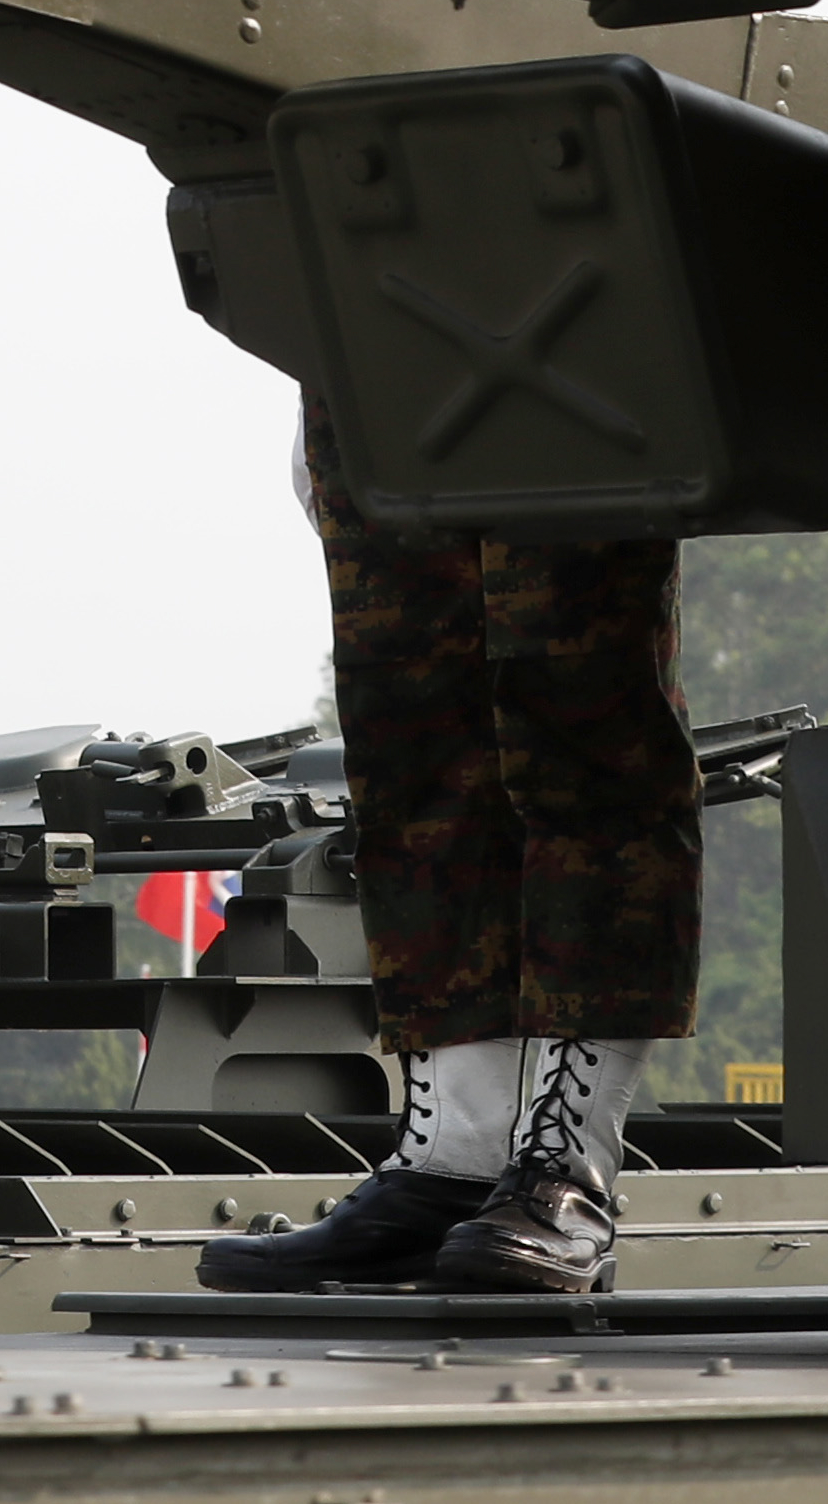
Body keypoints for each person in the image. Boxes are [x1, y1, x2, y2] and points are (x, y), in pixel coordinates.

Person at [200, 398, 695, 1295]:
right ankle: (453, 1166)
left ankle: (568, 1171)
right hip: (389, 367)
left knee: (584, 728)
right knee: (414, 751)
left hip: (577, 355)